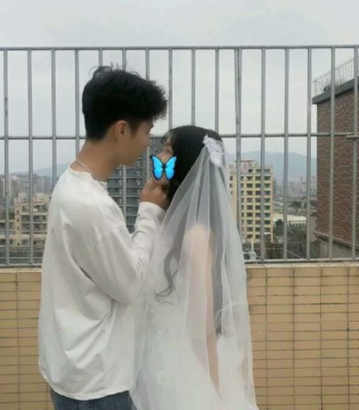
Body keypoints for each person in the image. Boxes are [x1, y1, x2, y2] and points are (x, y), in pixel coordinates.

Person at [38, 66, 168, 410]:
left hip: (75, 368)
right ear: (122, 130)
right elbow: (128, 284)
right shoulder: (91, 205)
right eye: (147, 131)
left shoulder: (71, 183)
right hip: (97, 385)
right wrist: (149, 212)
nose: (148, 143)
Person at [131, 126, 259, 410]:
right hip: (158, 358)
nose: (159, 156)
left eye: (168, 150)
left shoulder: (196, 236)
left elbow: (203, 327)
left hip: (181, 367)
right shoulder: (170, 223)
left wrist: (214, 389)